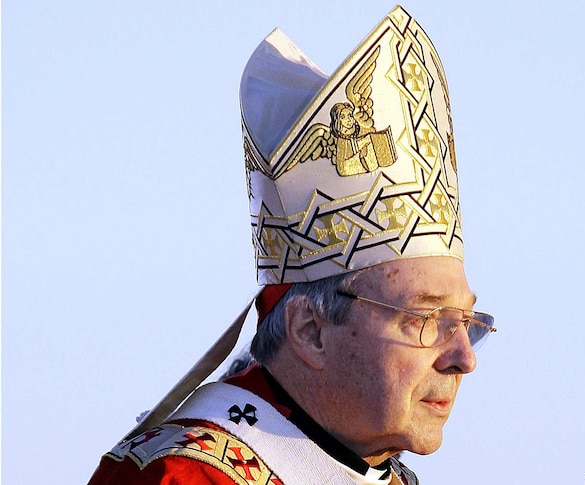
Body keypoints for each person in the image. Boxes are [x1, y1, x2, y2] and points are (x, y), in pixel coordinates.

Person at [88, 6, 495, 485]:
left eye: (466, 323)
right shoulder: (187, 476)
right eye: (427, 318)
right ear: (310, 331)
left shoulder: (386, 475)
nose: (464, 358)